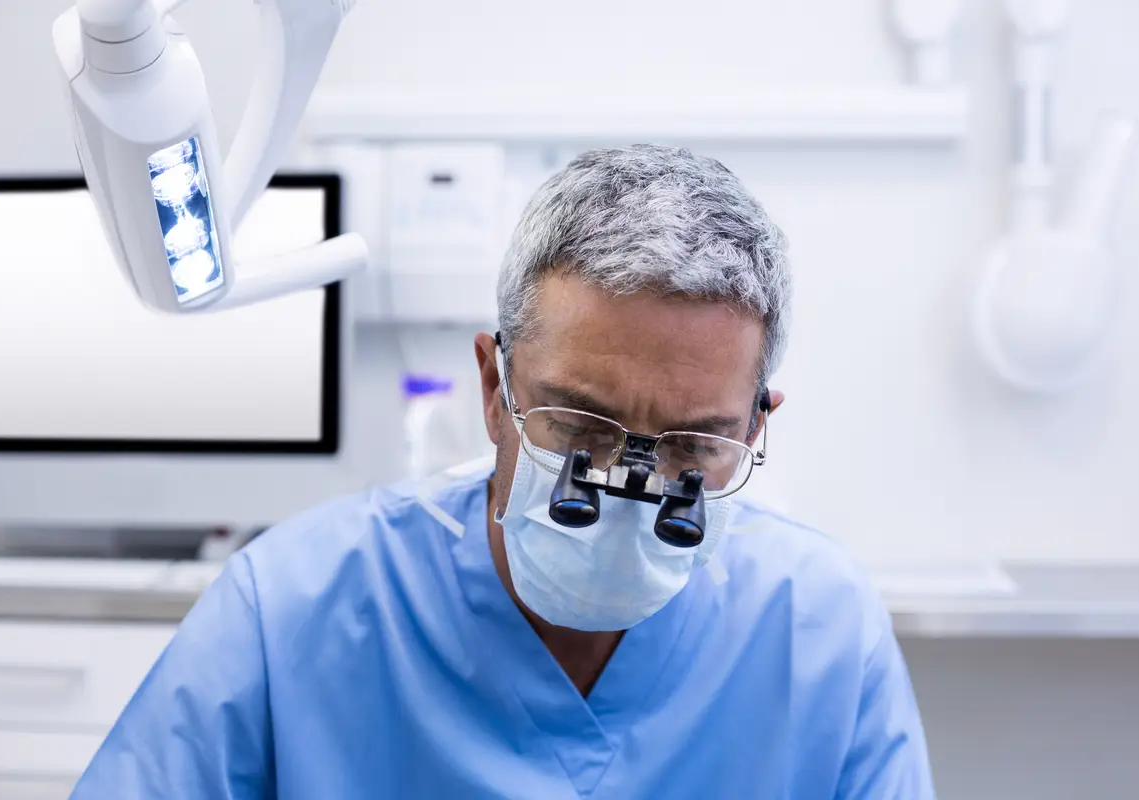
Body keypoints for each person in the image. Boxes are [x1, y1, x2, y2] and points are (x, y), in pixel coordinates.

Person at [71, 144, 935, 798]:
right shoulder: (292, 608)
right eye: (581, 428)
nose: (625, 492)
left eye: (690, 447)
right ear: (495, 389)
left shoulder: (819, 631)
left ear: (755, 426)